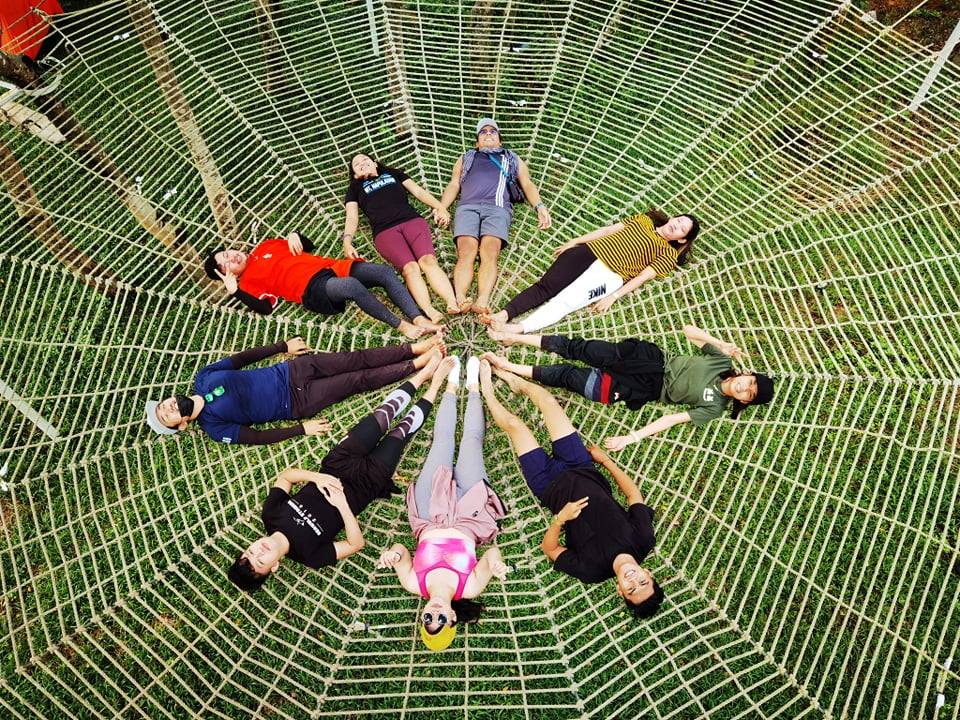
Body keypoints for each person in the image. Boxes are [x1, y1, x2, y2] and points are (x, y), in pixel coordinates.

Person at [227, 354, 447, 592]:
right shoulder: (310, 556)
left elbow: (286, 477)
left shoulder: (271, 515)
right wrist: (342, 505)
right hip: (366, 485)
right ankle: (435, 385)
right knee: (403, 431)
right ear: (274, 567)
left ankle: (424, 374)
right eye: (260, 561)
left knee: (383, 414)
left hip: (338, 463)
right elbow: (355, 544)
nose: (259, 551)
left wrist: (317, 477)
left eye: (250, 551)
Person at [477, 358, 663, 618]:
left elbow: (550, 550)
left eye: (631, 589)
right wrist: (605, 461)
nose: (633, 580)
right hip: (582, 466)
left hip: (548, 484)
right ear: (648, 573)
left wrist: (560, 520)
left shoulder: (592, 570)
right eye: (642, 582)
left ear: (620, 591)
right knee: (548, 401)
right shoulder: (643, 540)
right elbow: (633, 495)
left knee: (515, 426)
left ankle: (486, 390)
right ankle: (514, 380)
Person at [378, 356, 508, 651]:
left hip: (429, 511)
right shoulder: (469, 587)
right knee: (471, 442)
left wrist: (394, 555)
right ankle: (473, 387)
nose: (434, 613)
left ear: (421, 616)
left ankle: (450, 386)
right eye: (441, 619)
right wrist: (496, 564)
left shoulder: (413, 583)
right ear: (452, 618)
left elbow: (401, 550)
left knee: (442, 442)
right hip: (468, 515)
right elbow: (490, 555)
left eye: (428, 618)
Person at [485, 324, 774, 446]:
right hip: (648, 359)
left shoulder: (714, 407)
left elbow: (671, 419)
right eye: (750, 382)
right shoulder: (721, 362)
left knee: (570, 377)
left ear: (745, 401)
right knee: (580, 348)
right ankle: (513, 338)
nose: (744, 388)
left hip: (644, 388)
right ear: (746, 374)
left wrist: (632, 437)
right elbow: (688, 331)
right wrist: (719, 343)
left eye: (749, 394)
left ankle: (509, 367)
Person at [144, 334, 444, 445]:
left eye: (164, 404)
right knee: (356, 380)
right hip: (297, 401)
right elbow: (258, 437)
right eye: (167, 416)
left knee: (353, 359)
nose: (168, 407)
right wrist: (302, 429)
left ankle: (414, 348)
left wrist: (282, 347)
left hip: (290, 370)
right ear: (181, 425)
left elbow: (243, 358)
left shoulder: (204, 377)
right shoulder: (214, 427)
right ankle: (417, 365)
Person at [483, 209, 700, 334]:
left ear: (682, 239)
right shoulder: (643, 221)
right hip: (589, 252)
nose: (677, 225)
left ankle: (519, 328)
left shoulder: (668, 254)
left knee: (565, 302)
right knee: (546, 287)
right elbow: (608, 230)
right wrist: (575, 241)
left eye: (682, 229)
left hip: (610, 276)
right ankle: (504, 314)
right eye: (679, 220)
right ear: (673, 217)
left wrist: (613, 296)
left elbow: (643, 277)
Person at [204, 230, 443, 339]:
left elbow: (308, 247)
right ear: (227, 274)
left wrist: (295, 235)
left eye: (227, 253)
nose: (232, 257)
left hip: (330, 267)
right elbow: (266, 308)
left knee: (383, 272)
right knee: (350, 286)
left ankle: (417, 317)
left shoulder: (266, 246)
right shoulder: (247, 284)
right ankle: (401, 325)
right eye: (226, 264)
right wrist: (236, 292)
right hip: (310, 289)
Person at [437, 118, 552, 315]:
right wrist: (441, 207)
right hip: (467, 207)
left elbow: (527, 184)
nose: (488, 133)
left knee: (490, 252)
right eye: (483, 132)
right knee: (466, 251)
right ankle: (460, 298)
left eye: (493, 131)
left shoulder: (511, 158)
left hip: (498, 209)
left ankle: (482, 300)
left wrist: (540, 207)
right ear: (477, 142)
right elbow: (454, 184)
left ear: (500, 140)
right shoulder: (467, 157)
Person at [343, 154, 461, 322]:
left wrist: (440, 207)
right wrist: (347, 242)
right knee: (410, 269)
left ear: (375, 163)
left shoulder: (393, 173)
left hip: (412, 221)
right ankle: (429, 310)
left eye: (365, 160)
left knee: (428, 261)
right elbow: (352, 217)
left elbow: (418, 191)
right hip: (385, 232)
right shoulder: (355, 188)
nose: (362, 163)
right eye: (357, 164)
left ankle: (451, 301)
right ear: (355, 174)